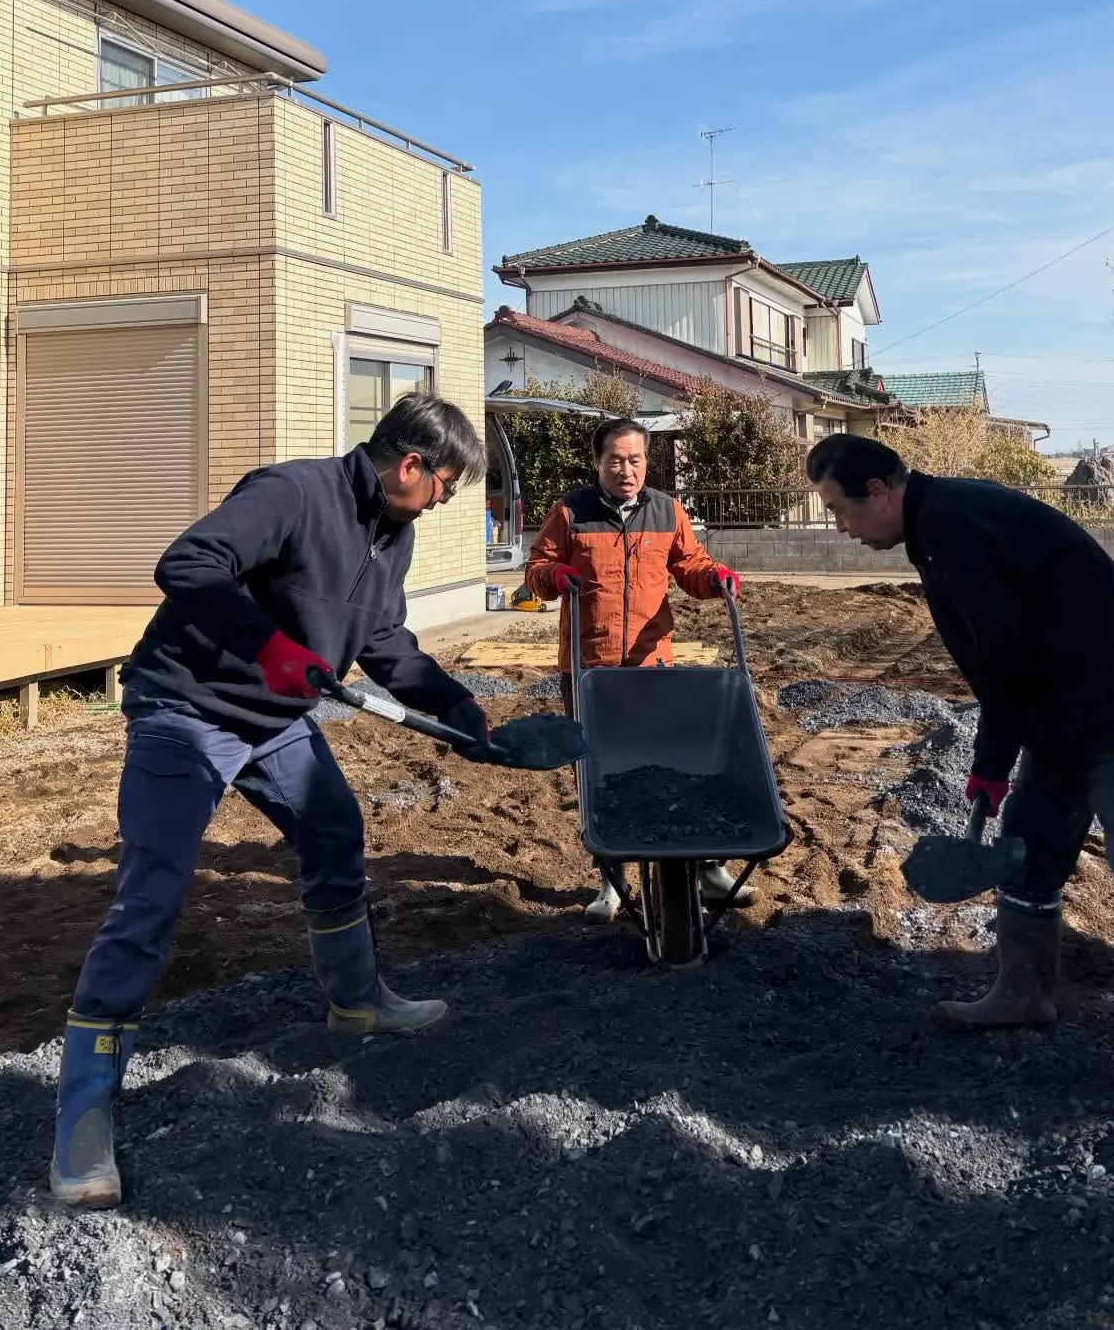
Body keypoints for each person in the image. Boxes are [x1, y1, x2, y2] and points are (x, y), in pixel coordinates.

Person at [50, 392, 491, 1209]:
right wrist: (269, 646)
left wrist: (458, 707)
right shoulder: (291, 494)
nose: (443, 503)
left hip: (274, 721)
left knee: (334, 830)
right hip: (186, 708)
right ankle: (83, 1117)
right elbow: (185, 566)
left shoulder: (392, 537)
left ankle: (356, 1002)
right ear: (411, 466)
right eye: (446, 488)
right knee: (152, 894)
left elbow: (384, 640)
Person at [807, 433, 1114, 1120]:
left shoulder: (955, 525)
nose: (840, 527)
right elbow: (1009, 655)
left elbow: (1005, 655)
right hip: (1060, 718)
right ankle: (1023, 994)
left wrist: (991, 762)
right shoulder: (935, 525)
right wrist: (1003, 760)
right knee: (1028, 857)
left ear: (879, 491)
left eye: (839, 510)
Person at [526, 417, 746, 924]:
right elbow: (536, 568)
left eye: (636, 459)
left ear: (647, 461)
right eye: (615, 460)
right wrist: (553, 575)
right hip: (589, 666)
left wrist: (715, 578)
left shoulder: (667, 510)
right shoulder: (570, 511)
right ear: (598, 462)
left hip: (652, 664)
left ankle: (705, 867)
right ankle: (611, 877)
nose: (626, 470)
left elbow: (689, 564)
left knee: (673, 766)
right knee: (599, 770)